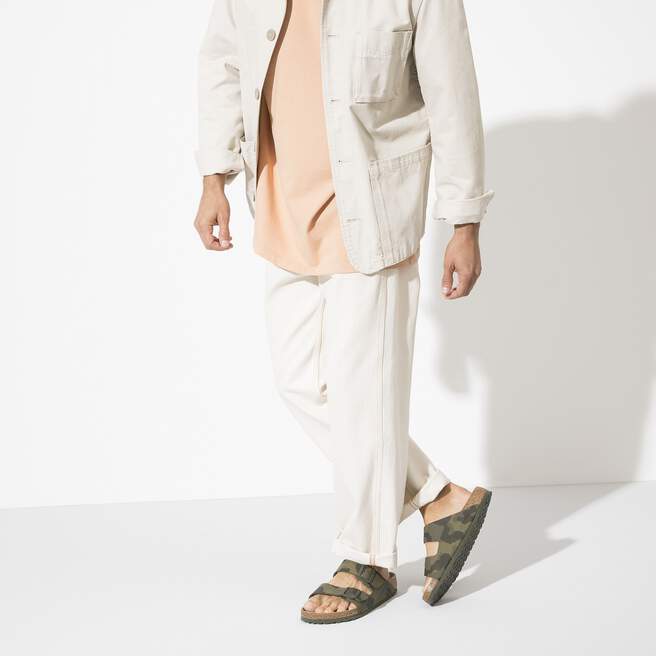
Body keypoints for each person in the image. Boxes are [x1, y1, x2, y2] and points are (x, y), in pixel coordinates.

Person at [194, 0, 494, 624]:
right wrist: (213, 176)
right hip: (281, 206)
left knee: (364, 394)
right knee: (301, 381)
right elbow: (224, 62)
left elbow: (453, 95)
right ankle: (439, 497)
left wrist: (464, 221)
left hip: (374, 213)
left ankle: (367, 558)